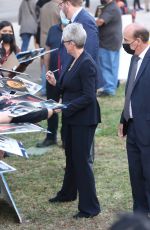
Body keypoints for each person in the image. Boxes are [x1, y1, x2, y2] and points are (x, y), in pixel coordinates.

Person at [47, 23, 101, 219]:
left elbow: (89, 96)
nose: (64, 46)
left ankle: (90, 207)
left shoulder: (86, 63)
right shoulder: (73, 60)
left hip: (83, 120)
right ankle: (68, 193)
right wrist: (56, 82)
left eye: (65, 42)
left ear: (72, 42)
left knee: (81, 161)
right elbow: (69, 86)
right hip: (71, 117)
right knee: (71, 157)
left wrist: (65, 107)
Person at [118, 23, 150, 215]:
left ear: (138, 42)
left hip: (147, 128)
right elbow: (130, 91)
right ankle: (139, 210)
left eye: (126, 41)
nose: (124, 44)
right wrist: (124, 118)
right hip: (133, 127)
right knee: (135, 173)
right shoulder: (134, 59)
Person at [36, 10, 69, 147]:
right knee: (51, 106)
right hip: (53, 76)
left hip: (68, 76)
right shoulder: (53, 30)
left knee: (67, 107)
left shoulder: (75, 30)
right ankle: (51, 137)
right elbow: (47, 51)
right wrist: (47, 71)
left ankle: (66, 138)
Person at [96, 0, 122, 96]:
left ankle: (109, 89)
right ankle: (112, 87)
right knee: (112, 66)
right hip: (113, 41)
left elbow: (100, 21)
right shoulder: (112, 6)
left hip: (108, 42)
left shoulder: (111, 7)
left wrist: (91, 22)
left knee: (106, 66)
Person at [39, 0, 61, 96]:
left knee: (45, 62)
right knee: (52, 64)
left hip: (43, 37)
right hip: (54, 38)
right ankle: (49, 86)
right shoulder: (58, 7)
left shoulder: (44, 7)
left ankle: (44, 88)